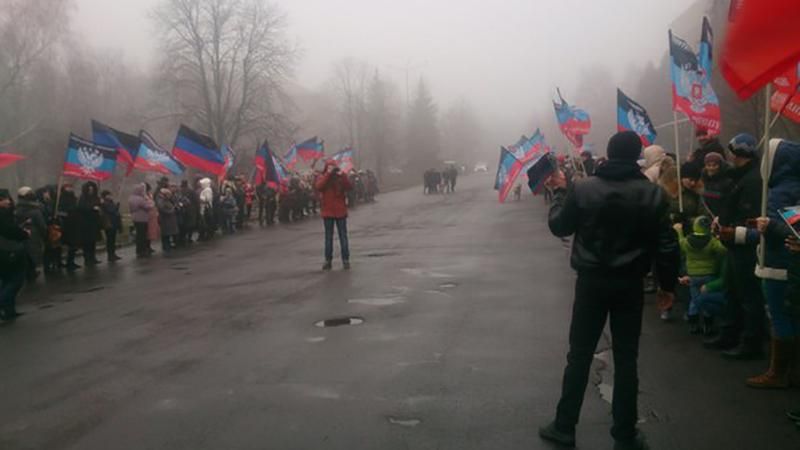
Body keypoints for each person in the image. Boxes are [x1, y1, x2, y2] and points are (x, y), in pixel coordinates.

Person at [539, 131, 679, 450]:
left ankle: (564, 427)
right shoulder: (653, 194)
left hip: (591, 283)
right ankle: (625, 435)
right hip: (629, 285)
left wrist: (560, 194)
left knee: (579, 355)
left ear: (609, 153)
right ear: (636, 157)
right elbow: (667, 245)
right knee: (627, 358)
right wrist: (666, 286)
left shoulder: (584, 188)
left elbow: (560, 226)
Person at [705, 133, 766, 360]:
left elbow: (751, 217)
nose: (728, 155)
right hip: (732, 243)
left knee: (748, 295)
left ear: (739, 153)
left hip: (745, 247)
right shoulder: (740, 176)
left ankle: (751, 342)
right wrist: (719, 221)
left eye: (732, 151)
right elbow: (730, 208)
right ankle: (729, 333)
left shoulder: (753, 181)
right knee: (731, 290)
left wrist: (733, 230)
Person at [746, 139, 800, 389]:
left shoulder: (782, 192)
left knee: (779, 316)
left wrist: (770, 227)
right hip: (786, 263)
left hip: (779, 264)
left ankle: (778, 373)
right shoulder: (787, 186)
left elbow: (792, 231)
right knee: (789, 317)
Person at [675, 216, 727, 335]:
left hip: (693, 275)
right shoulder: (712, 241)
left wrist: (679, 231)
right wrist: (717, 236)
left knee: (694, 299)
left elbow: (680, 244)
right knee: (706, 299)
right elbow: (722, 250)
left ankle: (693, 324)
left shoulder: (687, 241)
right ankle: (708, 325)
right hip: (709, 274)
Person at [316, 160, 353, 271]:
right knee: (328, 237)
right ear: (326, 168)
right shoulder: (323, 177)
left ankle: (345, 260)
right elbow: (319, 186)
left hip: (340, 211)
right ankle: (328, 260)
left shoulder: (340, 177)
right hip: (328, 212)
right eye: (329, 167)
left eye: (333, 167)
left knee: (343, 236)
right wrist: (328, 174)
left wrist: (343, 175)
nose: (331, 169)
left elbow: (349, 187)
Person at [0, 189, 29, 322]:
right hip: (9, 251)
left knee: (7, 280)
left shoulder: (7, 213)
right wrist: (24, 233)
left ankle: (9, 310)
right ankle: (3, 304)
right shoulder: (2, 215)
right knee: (16, 280)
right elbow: (9, 230)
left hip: (8, 250)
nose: (7, 201)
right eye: (3, 199)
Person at [14, 187, 46, 280]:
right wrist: (44, 234)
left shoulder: (16, 209)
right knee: (33, 253)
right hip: (34, 236)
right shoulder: (35, 210)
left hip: (22, 235)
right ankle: (31, 273)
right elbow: (41, 225)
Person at [77, 181, 102, 266]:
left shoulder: (95, 197)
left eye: (92, 189)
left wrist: (99, 205)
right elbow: (81, 208)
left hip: (94, 222)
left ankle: (93, 257)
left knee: (93, 241)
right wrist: (92, 208)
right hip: (86, 222)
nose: (91, 190)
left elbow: (99, 205)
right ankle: (87, 258)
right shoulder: (83, 197)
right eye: (89, 189)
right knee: (87, 242)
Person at [58, 184, 81, 271]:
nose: (70, 189)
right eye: (68, 187)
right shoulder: (62, 198)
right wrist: (68, 214)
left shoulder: (73, 197)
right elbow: (60, 211)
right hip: (67, 224)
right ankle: (68, 262)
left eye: (71, 187)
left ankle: (71, 261)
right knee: (70, 244)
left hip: (75, 223)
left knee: (74, 244)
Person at [701, 152, 731, 218]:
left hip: (723, 217)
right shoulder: (705, 179)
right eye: (708, 165)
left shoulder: (727, 181)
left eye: (714, 165)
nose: (711, 168)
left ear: (720, 166)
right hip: (709, 216)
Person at [129, 183, 154, 258]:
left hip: (135, 218)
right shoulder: (139, 199)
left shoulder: (131, 198)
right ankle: (142, 250)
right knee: (142, 235)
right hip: (142, 218)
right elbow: (147, 206)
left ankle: (140, 250)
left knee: (139, 235)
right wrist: (151, 203)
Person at [99, 190, 122, 262]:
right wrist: (116, 206)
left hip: (114, 222)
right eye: (108, 195)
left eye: (110, 195)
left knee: (113, 240)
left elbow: (114, 211)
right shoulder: (104, 203)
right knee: (110, 240)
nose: (109, 196)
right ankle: (110, 255)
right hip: (109, 223)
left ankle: (113, 253)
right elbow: (111, 210)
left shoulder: (110, 202)